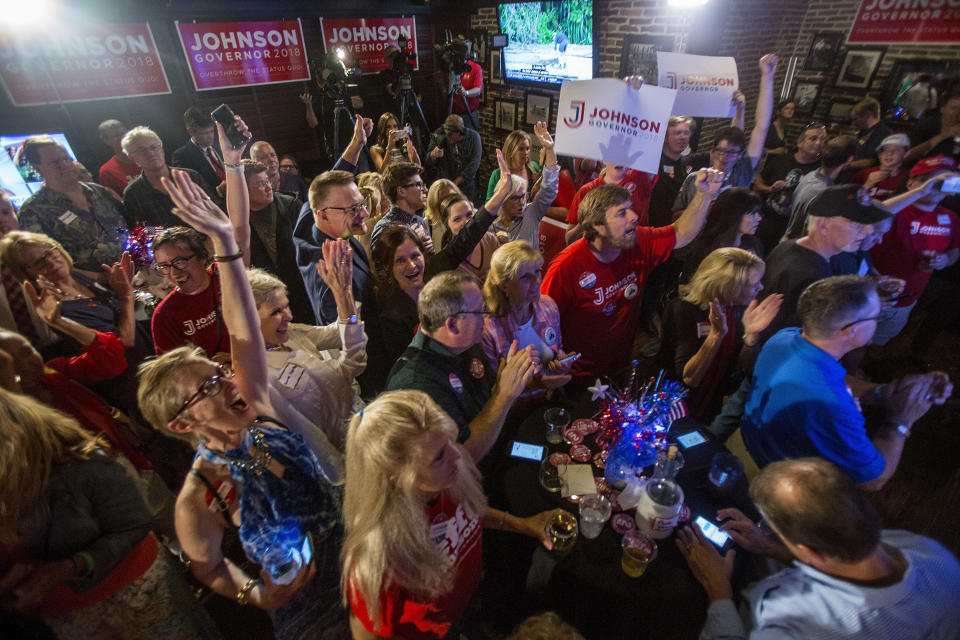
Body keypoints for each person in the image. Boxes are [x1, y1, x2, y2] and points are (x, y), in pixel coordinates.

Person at [137, 169, 349, 639]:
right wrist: (254, 594)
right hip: (312, 611)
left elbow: (240, 331)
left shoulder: (255, 409)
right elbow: (208, 568)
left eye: (218, 375)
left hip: (356, 556)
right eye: (208, 389)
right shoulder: (199, 499)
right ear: (178, 424)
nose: (227, 384)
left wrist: (223, 241)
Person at [0, 388, 218, 639]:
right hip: (63, 614)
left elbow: (133, 524)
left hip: (135, 588)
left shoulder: (73, 459)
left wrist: (70, 567)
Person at [341, 390, 560, 639]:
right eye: (439, 456)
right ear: (399, 479)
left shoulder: (443, 483)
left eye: (449, 443)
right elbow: (367, 631)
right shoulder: (380, 553)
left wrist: (523, 525)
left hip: (463, 606)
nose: (457, 456)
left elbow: (468, 512)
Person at [677, 457, 960, 640]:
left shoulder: (791, 620)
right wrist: (770, 547)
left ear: (809, 552)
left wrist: (719, 591)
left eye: (774, 530)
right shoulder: (929, 553)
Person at [741, 275, 951, 490]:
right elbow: (874, 479)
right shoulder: (835, 406)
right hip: (777, 482)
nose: (877, 321)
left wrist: (883, 392)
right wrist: (900, 419)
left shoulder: (786, 338)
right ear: (852, 330)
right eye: (874, 317)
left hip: (751, 444)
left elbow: (835, 379)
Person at [542, 170, 724, 380]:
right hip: (576, 377)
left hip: (621, 368)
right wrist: (553, 360)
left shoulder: (639, 242)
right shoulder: (565, 268)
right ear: (597, 226)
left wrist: (705, 194)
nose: (635, 216)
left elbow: (681, 233)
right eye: (622, 213)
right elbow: (541, 321)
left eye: (630, 209)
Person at [373, 160, 513, 368]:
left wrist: (499, 196)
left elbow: (467, 237)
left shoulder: (433, 269)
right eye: (400, 260)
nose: (412, 266)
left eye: (415, 256)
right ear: (389, 266)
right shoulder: (393, 316)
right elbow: (404, 367)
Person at [386, 270, 538, 462]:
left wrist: (509, 381)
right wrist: (503, 396)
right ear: (452, 325)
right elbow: (461, 456)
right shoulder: (416, 384)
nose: (485, 319)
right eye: (480, 311)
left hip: (500, 451)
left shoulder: (465, 345)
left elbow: (489, 398)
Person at [247, 263, 364, 479]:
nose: (289, 316)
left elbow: (337, 333)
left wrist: (344, 293)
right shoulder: (263, 378)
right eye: (276, 312)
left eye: (286, 306)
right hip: (349, 462)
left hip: (364, 427)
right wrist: (342, 481)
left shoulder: (291, 334)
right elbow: (315, 444)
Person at [659, 248, 781, 419]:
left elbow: (746, 367)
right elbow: (689, 378)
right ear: (729, 287)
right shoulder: (682, 310)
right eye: (754, 285)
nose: (761, 288)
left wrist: (751, 337)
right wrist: (716, 336)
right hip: (672, 409)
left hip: (709, 407)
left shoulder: (735, 310)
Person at [869, 156, 960, 345]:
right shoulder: (896, 211)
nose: (936, 185)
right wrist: (921, 192)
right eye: (930, 178)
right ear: (911, 183)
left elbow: (953, 253)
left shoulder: (950, 218)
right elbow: (872, 218)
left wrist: (943, 261)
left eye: (943, 180)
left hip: (907, 300)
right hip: (873, 294)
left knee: (878, 342)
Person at [673, 53, 780, 213]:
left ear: (739, 155)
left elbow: (761, 128)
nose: (724, 157)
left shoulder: (742, 171)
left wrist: (767, 75)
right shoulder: (695, 179)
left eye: (730, 153)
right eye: (721, 151)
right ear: (712, 151)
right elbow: (676, 213)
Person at [16, 137, 127, 272]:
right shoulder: (32, 212)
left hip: (140, 277)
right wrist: (99, 279)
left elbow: (134, 224)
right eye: (56, 162)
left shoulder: (99, 192)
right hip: (95, 289)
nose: (65, 165)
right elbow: (45, 264)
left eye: (66, 158)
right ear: (37, 167)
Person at [482, 240, 573, 397]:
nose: (537, 281)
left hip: (550, 400)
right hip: (514, 413)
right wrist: (536, 384)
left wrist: (561, 364)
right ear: (503, 285)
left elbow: (557, 350)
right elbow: (491, 391)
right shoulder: (488, 330)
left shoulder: (548, 306)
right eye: (525, 277)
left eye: (537, 271)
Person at [240, 159, 314, 323]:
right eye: (260, 184)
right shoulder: (237, 222)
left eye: (267, 181)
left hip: (303, 294)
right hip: (270, 305)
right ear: (243, 190)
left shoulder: (291, 205)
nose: (268, 187)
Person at [122, 126, 218, 229]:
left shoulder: (190, 177)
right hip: (167, 243)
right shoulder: (133, 194)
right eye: (142, 151)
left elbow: (215, 210)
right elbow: (143, 232)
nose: (150, 153)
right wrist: (169, 240)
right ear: (132, 158)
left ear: (162, 149)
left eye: (154, 147)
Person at [753, 123, 826, 250]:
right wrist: (771, 189)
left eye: (822, 139)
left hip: (794, 231)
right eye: (813, 138)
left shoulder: (822, 171)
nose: (819, 143)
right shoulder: (781, 160)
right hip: (767, 223)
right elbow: (758, 184)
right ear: (800, 142)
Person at [0, 193, 55, 349]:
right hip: (13, 352)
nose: (2, 219)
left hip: (56, 338)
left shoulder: (38, 250)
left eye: (5, 212)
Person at [490, 122, 559, 246]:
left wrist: (550, 150)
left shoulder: (530, 214)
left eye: (523, 197)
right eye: (515, 198)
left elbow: (549, 188)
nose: (521, 202)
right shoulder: (490, 228)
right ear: (502, 199)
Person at [677, 187, 765, 282]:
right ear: (734, 215)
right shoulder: (707, 248)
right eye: (752, 213)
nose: (759, 218)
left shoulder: (753, 245)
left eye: (758, 213)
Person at [784, 134, 857, 239]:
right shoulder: (825, 195)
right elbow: (809, 235)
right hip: (799, 249)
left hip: (788, 239)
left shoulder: (810, 175)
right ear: (849, 159)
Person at [564, 163, 653, 245]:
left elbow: (653, 154)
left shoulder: (640, 179)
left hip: (636, 255)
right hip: (602, 258)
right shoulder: (586, 191)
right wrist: (587, 222)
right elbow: (569, 240)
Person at [371, 162, 432, 252]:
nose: (425, 190)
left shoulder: (420, 222)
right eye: (419, 184)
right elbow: (381, 263)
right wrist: (410, 245)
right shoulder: (385, 228)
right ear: (401, 191)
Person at [423, 115, 482, 201]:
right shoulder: (439, 134)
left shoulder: (473, 138)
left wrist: (454, 184)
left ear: (459, 131)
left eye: (450, 135)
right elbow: (427, 160)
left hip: (465, 186)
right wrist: (433, 155)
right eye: (446, 134)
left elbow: (473, 165)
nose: (448, 137)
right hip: (444, 184)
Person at [172, 105, 224, 188]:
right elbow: (188, 188)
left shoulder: (221, 146)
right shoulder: (182, 156)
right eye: (204, 133)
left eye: (211, 131)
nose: (210, 136)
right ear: (190, 131)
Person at [906, 87, 960, 165]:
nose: (957, 113)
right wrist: (945, 135)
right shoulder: (926, 126)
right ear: (942, 108)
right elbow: (907, 156)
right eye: (953, 108)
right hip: (919, 170)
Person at [850, 132, 911, 199]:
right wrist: (867, 185)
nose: (889, 153)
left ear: (906, 154)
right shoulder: (863, 174)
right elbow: (848, 200)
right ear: (879, 154)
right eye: (885, 150)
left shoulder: (908, 178)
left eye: (896, 150)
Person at [486, 130, 541, 200]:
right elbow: (488, 204)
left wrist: (539, 182)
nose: (526, 152)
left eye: (527, 148)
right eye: (521, 149)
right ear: (510, 151)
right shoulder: (497, 174)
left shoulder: (534, 167)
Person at [846, 97, 893, 173]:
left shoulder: (883, 133)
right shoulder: (864, 132)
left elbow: (871, 161)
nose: (853, 124)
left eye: (855, 119)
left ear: (868, 114)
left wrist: (844, 166)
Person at [96, 119, 141, 197]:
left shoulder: (146, 155)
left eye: (123, 133)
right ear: (106, 141)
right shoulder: (107, 172)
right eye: (116, 136)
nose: (122, 138)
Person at [423, 178, 463, 249]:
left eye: (453, 197)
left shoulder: (469, 217)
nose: (449, 202)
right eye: (444, 199)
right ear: (434, 202)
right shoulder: (428, 223)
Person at [449, 56, 483, 130]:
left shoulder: (475, 67)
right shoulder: (449, 68)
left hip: (468, 114)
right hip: (452, 115)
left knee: (470, 139)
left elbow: (478, 90)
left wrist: (466, 93)